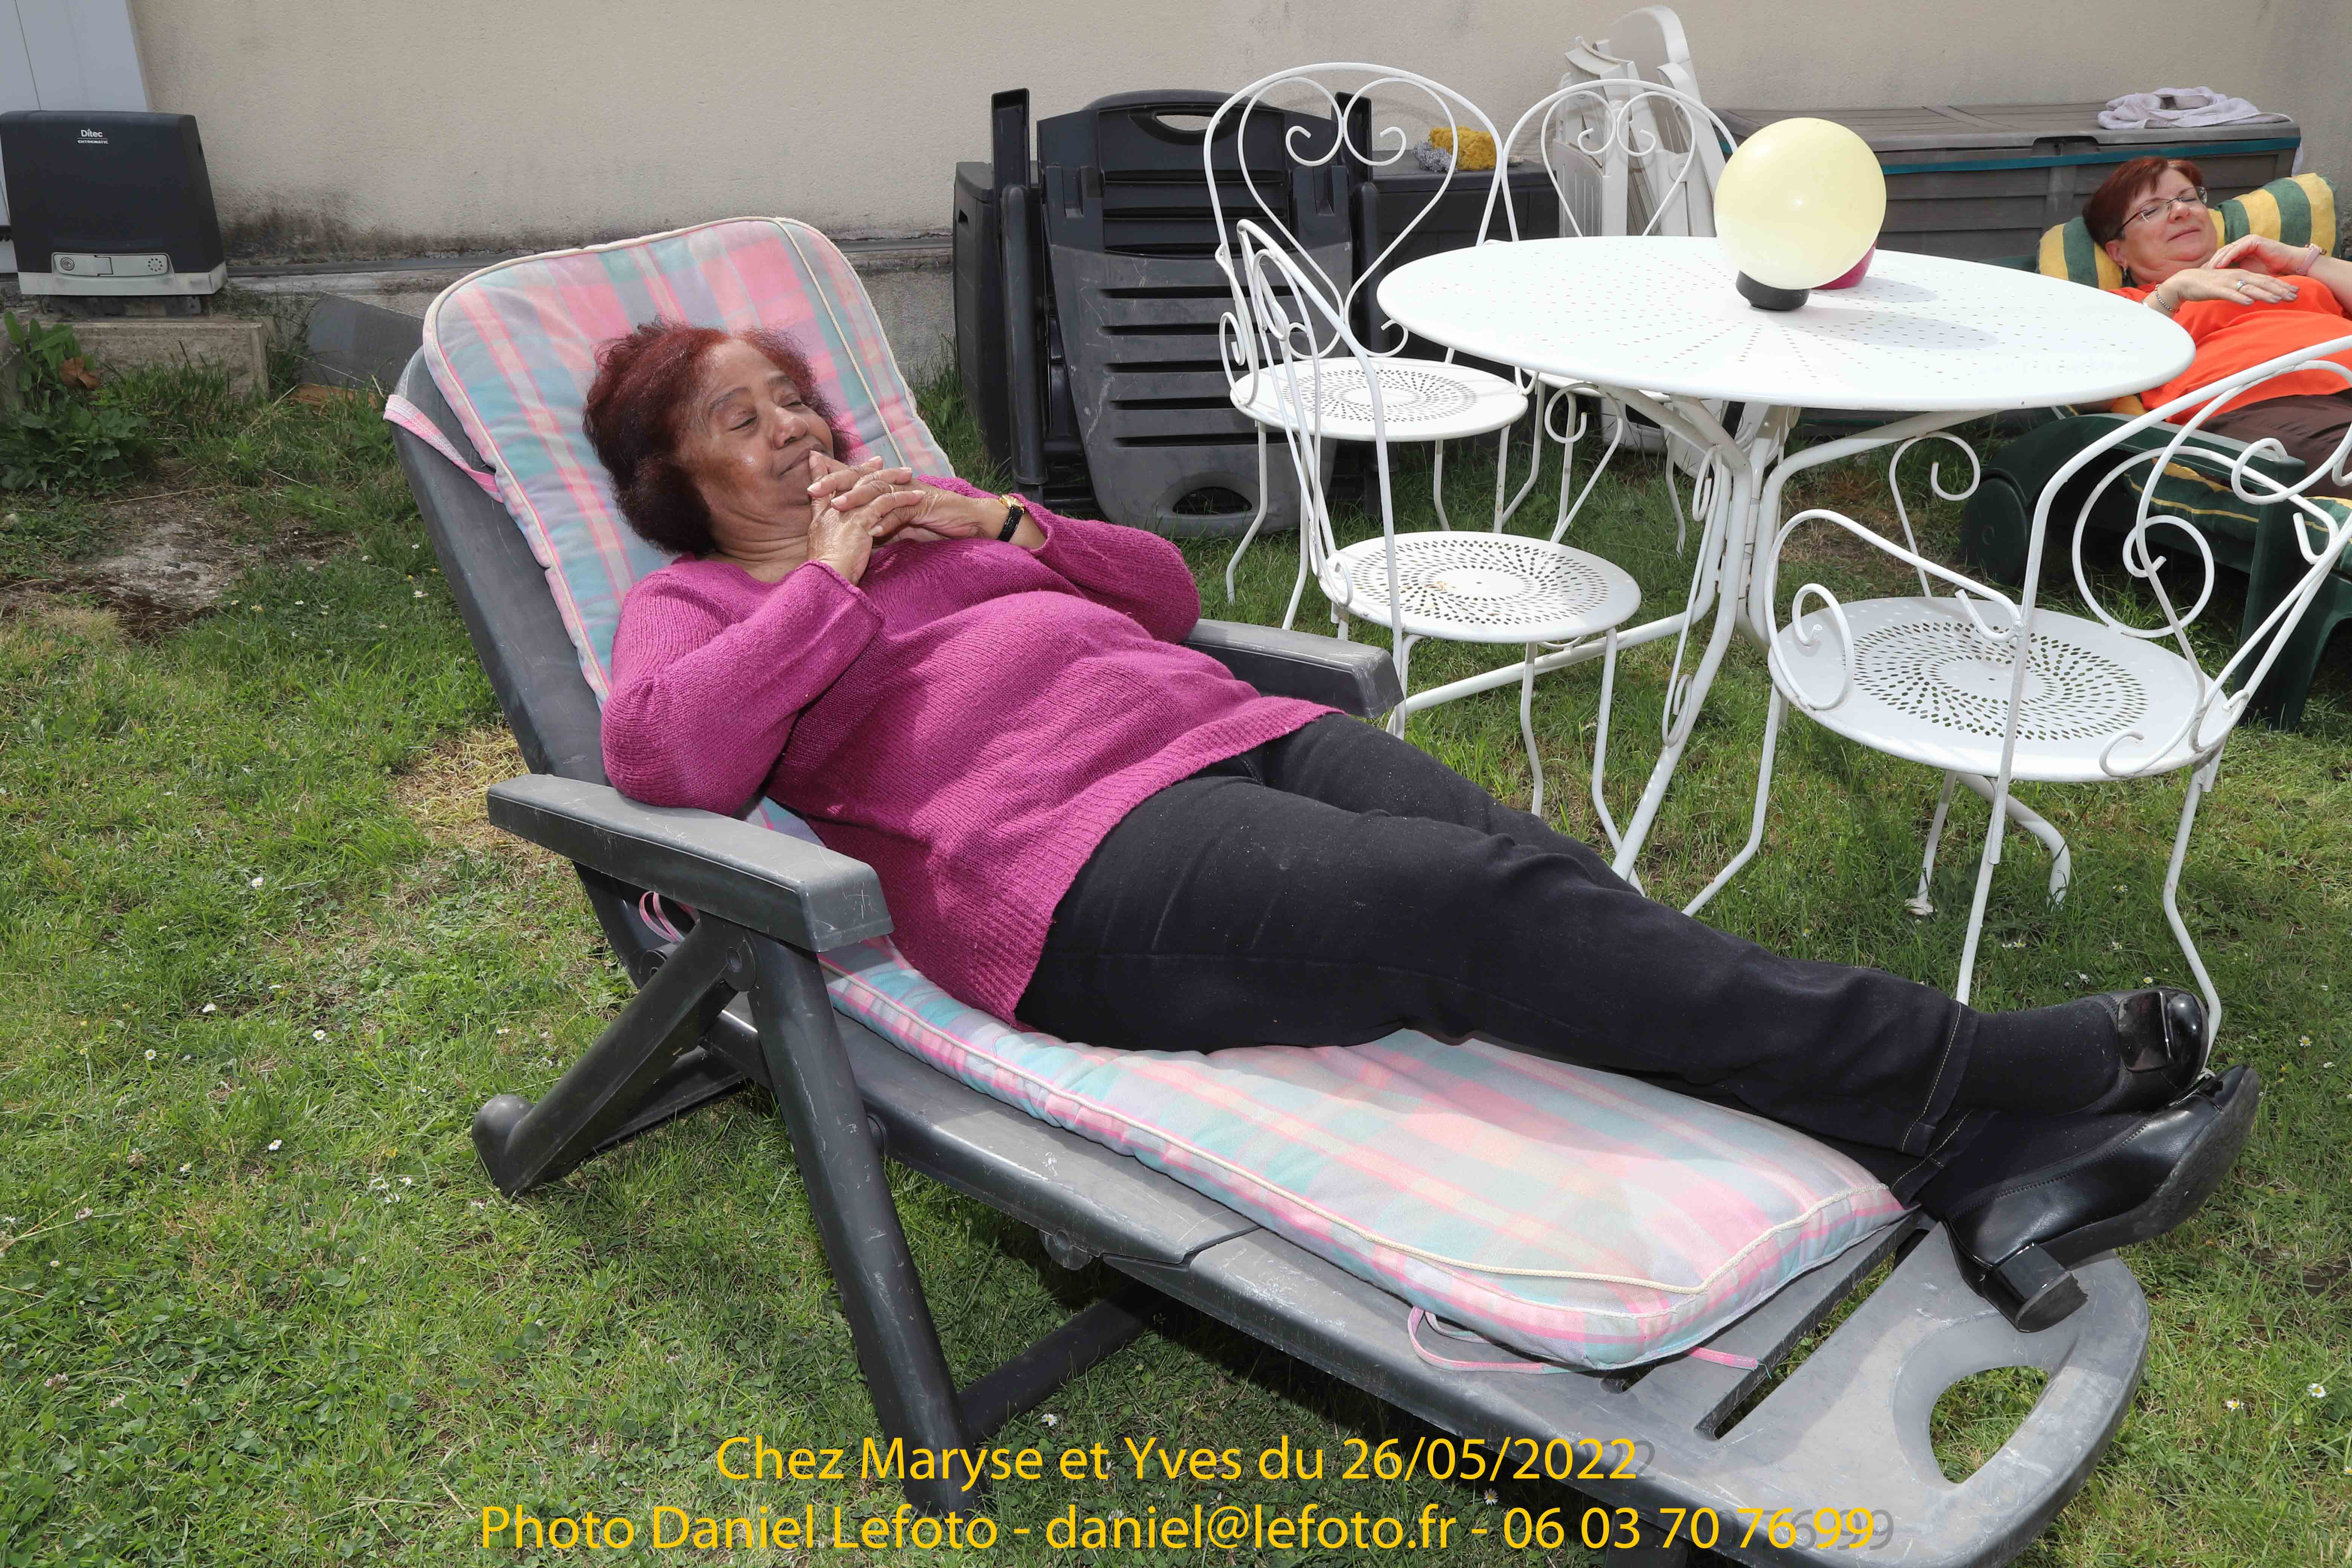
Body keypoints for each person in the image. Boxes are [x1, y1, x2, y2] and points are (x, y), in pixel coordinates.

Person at [584, 319, 2256, 1333]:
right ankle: (1971, 1071)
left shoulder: (938, 528)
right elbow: (667, 763)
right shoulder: (698, 607)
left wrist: (1003, 520)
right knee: (1476, 912)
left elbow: (1162, 597)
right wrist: (825, 588)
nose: (796, 427)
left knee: (1545, 888)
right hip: (1071, 866)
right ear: (675, 481)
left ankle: (1954, 1164)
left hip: (1243, 737)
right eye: (741, 417)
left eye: (792, 396)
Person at [2090, 154, 2352, 495]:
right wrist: (2173, 292)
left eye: (2188, 198)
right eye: (2150, 210)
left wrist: (2298, 259)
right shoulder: (2127, 304)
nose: (2181, 211)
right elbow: (2091, 388)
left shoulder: (2284, 270)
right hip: (2268, 402)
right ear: (2118, 253)